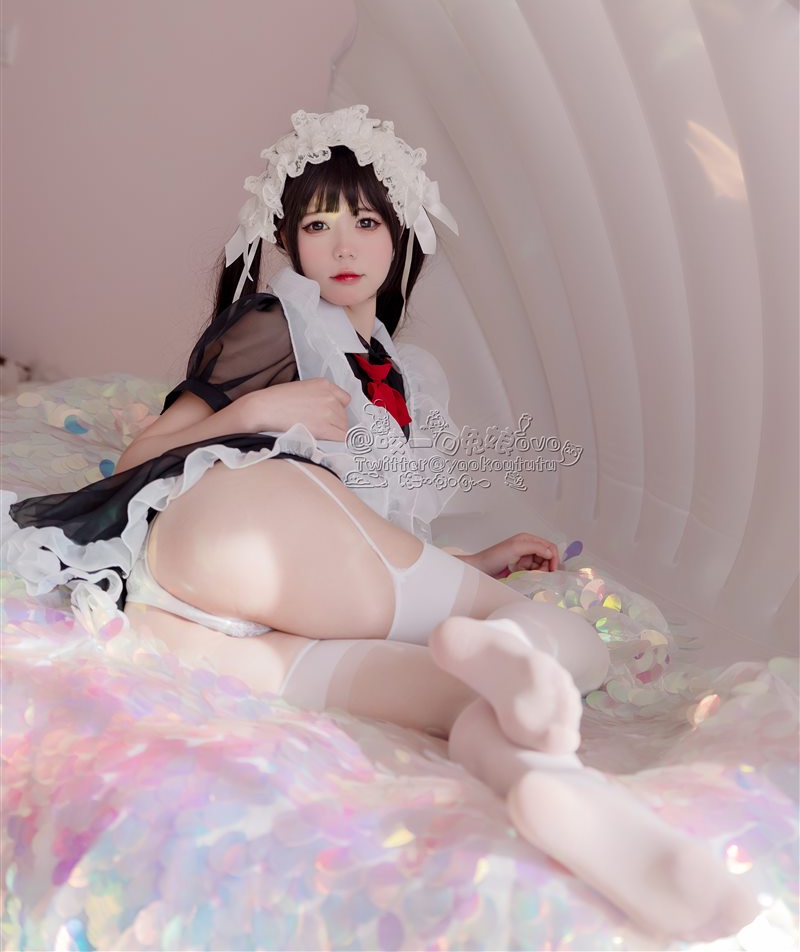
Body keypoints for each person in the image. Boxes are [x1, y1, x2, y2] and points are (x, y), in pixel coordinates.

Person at [2, 106, 757, 940]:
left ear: (400, 235)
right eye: (318, 225)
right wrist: (257, 408)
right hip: (242, 526)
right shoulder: (278, 322)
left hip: (200, 621)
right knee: (572, 643)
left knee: (461, 699)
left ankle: (551, 786)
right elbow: (142, 454)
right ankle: (512, 652)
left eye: (365, 222)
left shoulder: (402, 373)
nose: (345, 246)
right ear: (288, 241)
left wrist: (471, 560)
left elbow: (367, 540)